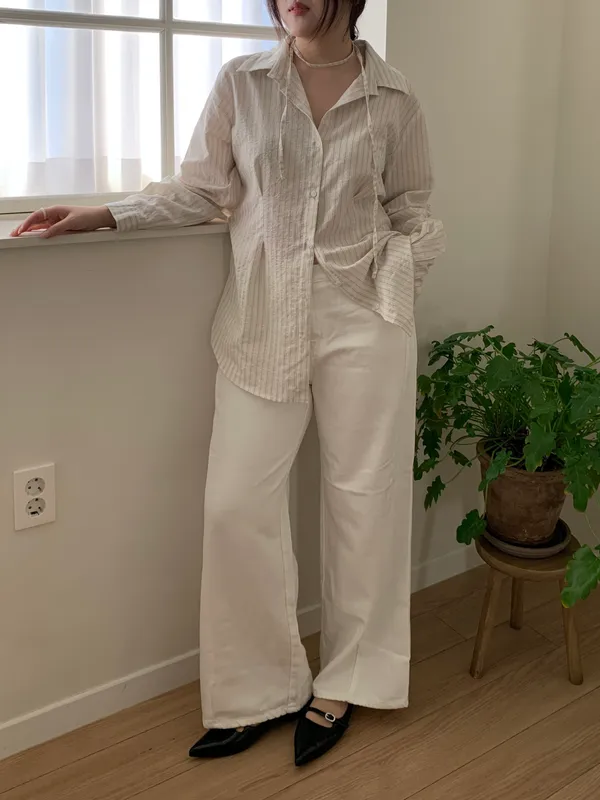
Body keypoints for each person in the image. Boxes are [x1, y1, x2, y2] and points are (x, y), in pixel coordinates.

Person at [12, 0, 445, 767]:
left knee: (365, 499)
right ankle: (258, 690)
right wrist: (106, 213)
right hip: (262, 319)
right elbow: (200, 189)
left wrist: (398, 275)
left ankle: (348, 681)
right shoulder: (242, 83)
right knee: (235, 505)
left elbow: (411, 204)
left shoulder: (395, 96)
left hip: (364, 316)